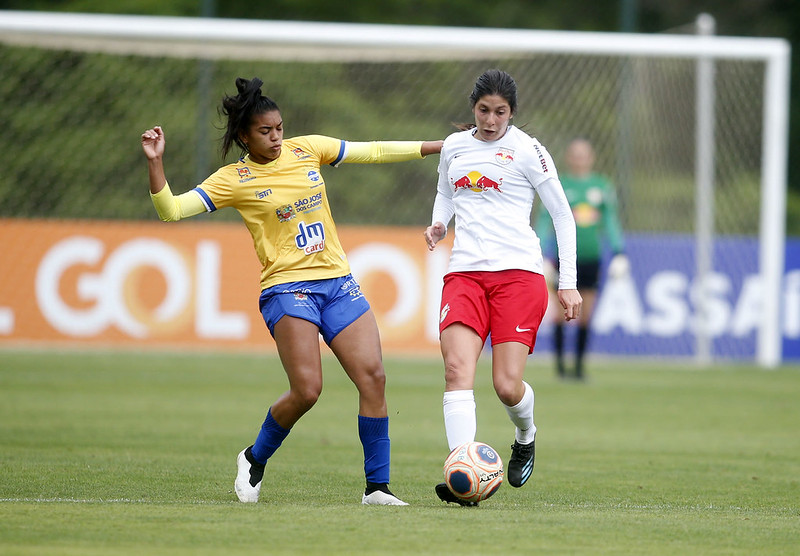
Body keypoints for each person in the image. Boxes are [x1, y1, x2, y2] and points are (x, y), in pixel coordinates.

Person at [141, 77, 443, 506]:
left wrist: (434, 146)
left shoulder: (308, 149)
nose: (276, 137)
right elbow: (171, 210)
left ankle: (377, 487)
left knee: (374, 378)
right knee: (307, 390)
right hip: (287, 289)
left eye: (279, 127)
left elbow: (371, 150)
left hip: (337, 283)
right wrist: (156, 162)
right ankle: (254, 456)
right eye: (265, 131)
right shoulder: (234, 179)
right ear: (245, 135)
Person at [423, 69, 582, 506]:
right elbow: (445, 194)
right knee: (457, 371)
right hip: (465, 275)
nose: (491, 121)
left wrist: (567, 284)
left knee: (507, 387)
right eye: (483, 111)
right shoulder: (454, 146)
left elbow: (563, 216)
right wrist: (440, 224)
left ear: (512, 113)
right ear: (472, 109)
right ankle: (462, 472)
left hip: (519, 276)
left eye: (500, 112)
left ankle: (526, 434)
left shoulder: (529, 151)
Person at [535, 138, 627, 380]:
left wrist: (619, 251)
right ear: (569, 158)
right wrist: (542, 252)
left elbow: (611, 221)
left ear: (591, 158)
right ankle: (559, 367)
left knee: (586, 313)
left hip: (591, 257)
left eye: (583, 154)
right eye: (575, 154)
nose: (579, 159)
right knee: (560, 312)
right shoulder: (560, 185)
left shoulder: (602, 186)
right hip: (563, 258)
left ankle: (579, 367)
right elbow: (545, 219)